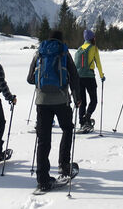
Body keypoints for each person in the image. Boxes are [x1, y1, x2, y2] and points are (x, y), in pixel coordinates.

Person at [27, 30, 80, 191]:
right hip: (61, 100)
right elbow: (74, 76)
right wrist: (77, 97)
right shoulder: (64, 52)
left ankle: (42, 179)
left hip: (42, 102)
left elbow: (30, 78)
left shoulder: (39, 53)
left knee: (43, 139)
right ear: (60, 39)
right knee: (67, 129)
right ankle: (64, 165)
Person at [74, 29, 105, 131]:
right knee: (94, 100)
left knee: (82, 101)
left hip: (78, 78)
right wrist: (102, 76)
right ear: (92, 38)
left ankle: (82, 122)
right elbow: (99, 63)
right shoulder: (93, 48)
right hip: (89, 77)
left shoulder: (79, 49)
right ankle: (87, 117)